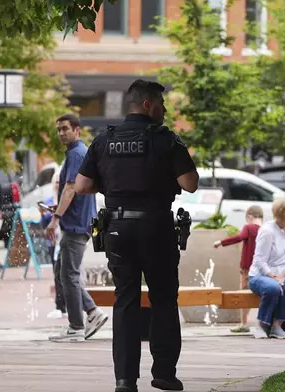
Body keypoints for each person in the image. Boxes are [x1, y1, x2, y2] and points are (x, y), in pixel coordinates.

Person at [75, 79, 199, 392]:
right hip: (156, 229)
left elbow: (82, 186)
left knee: (125, 301)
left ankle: (125, 380)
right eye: (161, 103)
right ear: (147, 105)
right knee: (163, 300)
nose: (165, 109)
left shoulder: (105, 139)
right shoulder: (165, 140)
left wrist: (113, 184)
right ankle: (164, 375)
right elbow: (189, 183)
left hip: (118, 229)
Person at [45, 114, 108, 343]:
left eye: (65, 129)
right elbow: (74, 191)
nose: (61, 133)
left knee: (68, 276)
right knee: (63, 274)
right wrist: (58, 207)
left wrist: (55, 218)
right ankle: (92, 312)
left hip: (75, 225)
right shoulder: (79, 153)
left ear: (77, 130)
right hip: (77, 221)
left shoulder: (76, 153)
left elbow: (71, 188)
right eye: (59, 129)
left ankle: (77, 326)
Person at [248, 198, 285, 340]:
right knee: (273, 288)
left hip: (284, 274)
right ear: (283, 214)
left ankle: (277, 325)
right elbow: (259, 260)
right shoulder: (267, 231)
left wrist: (284, 274)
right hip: (260, 275)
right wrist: (273, 276)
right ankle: (261, 325)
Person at [214, 205, 263, 333]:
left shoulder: (249, 227)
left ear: (250, 217)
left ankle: (244, 323)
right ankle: (263, 321)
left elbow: (239, 237)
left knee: (243, 294)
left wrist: (221, 242)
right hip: (261, 269)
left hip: (247, 268)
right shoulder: (265, 229)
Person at [41, 172, 66, 319]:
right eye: (55, 181)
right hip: (53, 242)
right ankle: (61, 306)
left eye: (59, 181)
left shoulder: (67, 199)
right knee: (57, 273)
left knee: (64, 274)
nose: (57, 183)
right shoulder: (51, 199)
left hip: (63, 239)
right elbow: (44, 222)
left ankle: (63, 306)